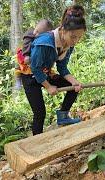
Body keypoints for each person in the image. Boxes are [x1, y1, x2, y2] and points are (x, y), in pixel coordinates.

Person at [20, 5, 86, 135]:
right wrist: (49, 86)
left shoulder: (69, 45)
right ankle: (37, 141)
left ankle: (63, 117)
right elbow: (35, 68)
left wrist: (74, 81)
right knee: (40, 113)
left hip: (45, 72)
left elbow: (62, 67)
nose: (76, 41)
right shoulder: (44, 42)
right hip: (30, 76)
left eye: (79, 37)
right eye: (73, 36)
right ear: (62, 30)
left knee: (73, 88)